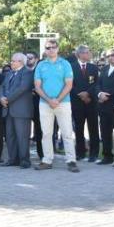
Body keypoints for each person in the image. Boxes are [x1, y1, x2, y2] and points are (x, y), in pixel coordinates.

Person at [34, 39, 79, 172]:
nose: (51, 50)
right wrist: (49, 100)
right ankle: (47, 160)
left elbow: (69, 84)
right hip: (45, 104)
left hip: (63, 103)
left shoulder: (65, 64)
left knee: (67, 133)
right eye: (48, 48)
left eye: (53, 47)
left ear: (58, 48)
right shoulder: (41, 65)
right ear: (45, 50)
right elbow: (37, 86)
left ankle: (71, 160)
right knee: (46, 134)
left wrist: (57, 100)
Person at [0, 53, 34, 168]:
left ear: (20, 62)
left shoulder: (27, 72)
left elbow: (22, 88)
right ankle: (12, 159)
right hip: (9, 110)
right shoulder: (9, 73)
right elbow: (2, 87)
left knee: (22, 136)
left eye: (13, 61)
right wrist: (1, 98)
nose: (11, 63)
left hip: (21, 110)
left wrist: (7, 99)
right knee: (10, 136)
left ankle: (24, 160)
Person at [95, 48, 114, 165]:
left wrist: (107, 94)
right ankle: (107, 156)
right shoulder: (104, 69)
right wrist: (99, 94)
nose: (110, 58)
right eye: (107, 56)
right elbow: (98, 84)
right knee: (105, 132)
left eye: (112, 55)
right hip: (103, 106)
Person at [70, 45, 100, 162]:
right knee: (78, 128)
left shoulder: (93, 67)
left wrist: (88, 94)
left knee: (93, 128)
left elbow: (96, 83)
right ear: (80, 54)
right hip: (77, 102)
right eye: (87, 52)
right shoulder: (71, 67)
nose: (89, 54)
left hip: (91, 102)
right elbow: (69, 84)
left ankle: (94, 153)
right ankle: (80, 152)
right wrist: (80, 94)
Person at [26, 51, 43, 159]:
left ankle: (42, 154)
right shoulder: (23, 71)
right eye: (26, 58)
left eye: (30, 58)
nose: (28, 60)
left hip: (39, 103)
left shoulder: (40, 70)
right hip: (26, 104)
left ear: (36, 59)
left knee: (39, 130)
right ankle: (23, 154)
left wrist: (36, 91)